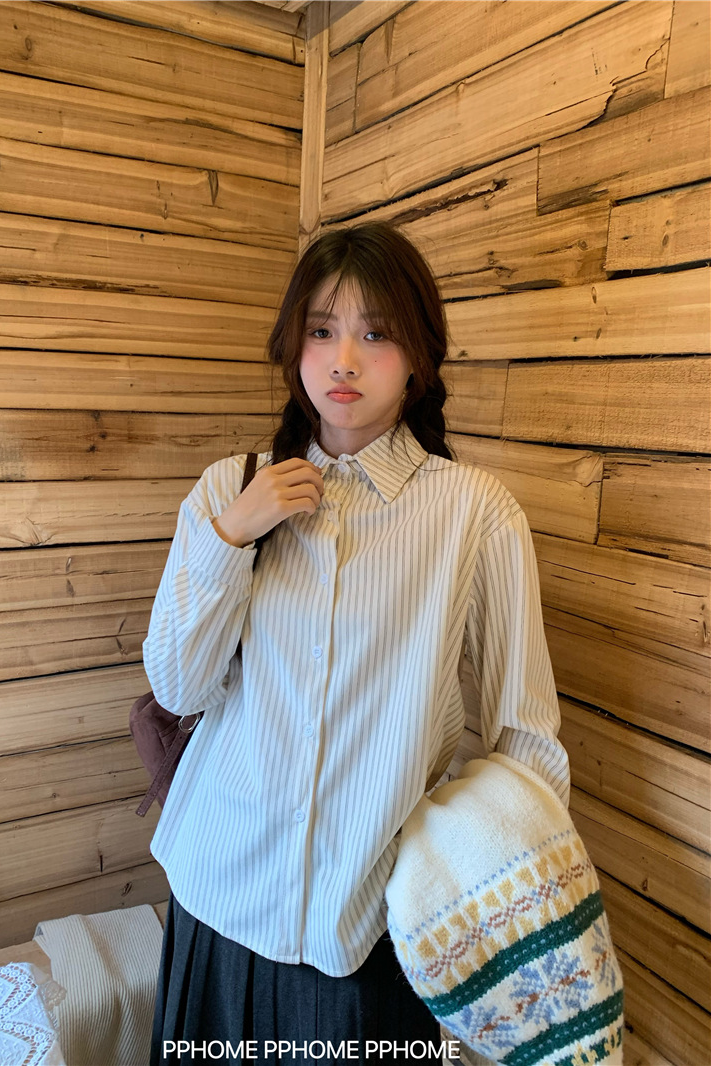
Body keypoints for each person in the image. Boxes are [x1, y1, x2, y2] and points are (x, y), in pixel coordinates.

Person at [143, 222, 571, 1065]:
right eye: (322, 330)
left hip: (372, 934)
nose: (343, 360)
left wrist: (471, 898)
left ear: (418, 360)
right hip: (217, 903)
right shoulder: (229, 488)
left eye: (376, 334)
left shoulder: (476, 514)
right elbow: (179, 688)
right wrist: (232, 535)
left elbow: (525, 743)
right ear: (293, 345)